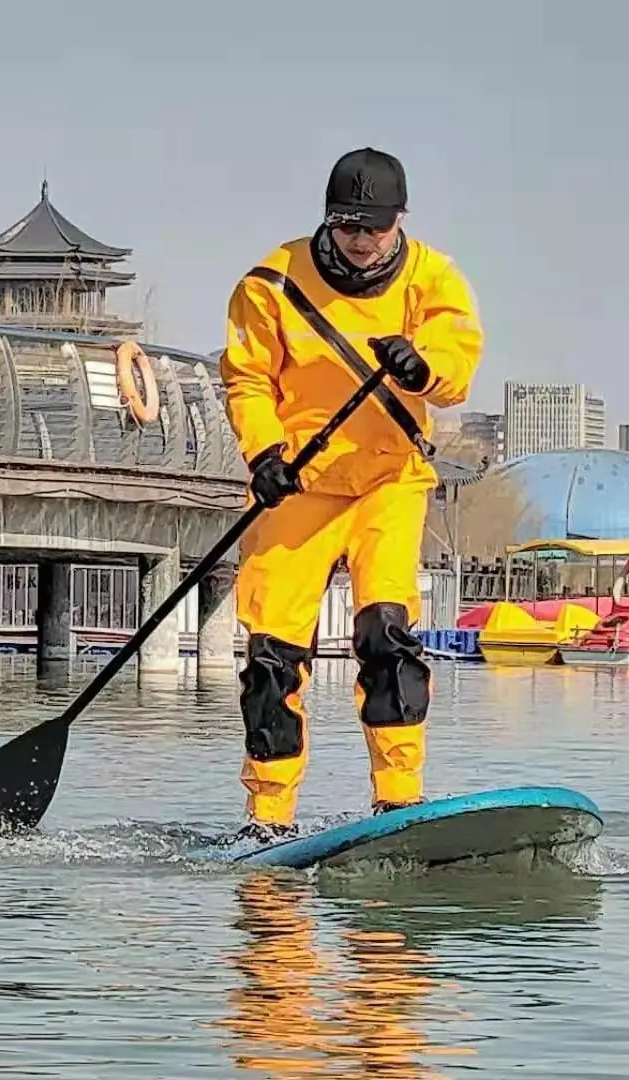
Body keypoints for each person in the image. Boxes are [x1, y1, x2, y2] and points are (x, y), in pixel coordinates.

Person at [218, 147, 485, 842]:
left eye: (373, 228)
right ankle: (268, 817)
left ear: (399, 222)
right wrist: (265, 453)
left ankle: (398, 803)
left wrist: (421, 367)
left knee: (386, 635)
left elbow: (457, 366)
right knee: (273, 655)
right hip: (300, 485)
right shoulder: (269, 285)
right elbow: (247, 380)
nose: (361, 242)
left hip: (388, 481)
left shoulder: (432, 277)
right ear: (327, 220)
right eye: (346, 227)